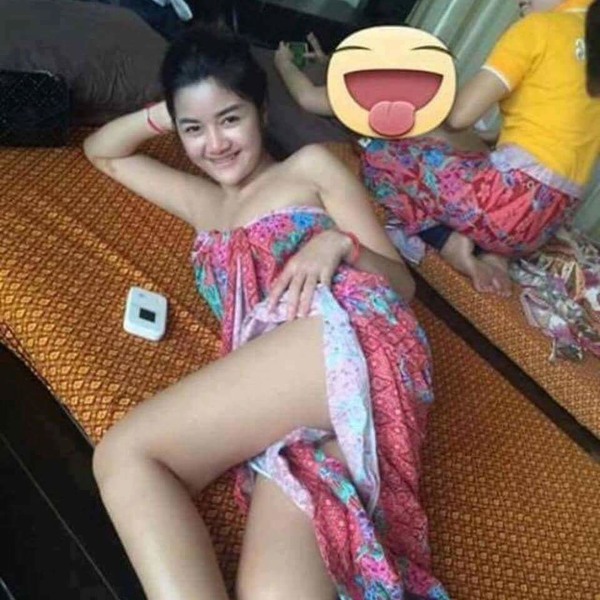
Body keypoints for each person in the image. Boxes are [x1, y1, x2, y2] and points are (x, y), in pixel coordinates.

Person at [84, 25, 449, 600]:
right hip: (299, 392)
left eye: (230, 118)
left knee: (129, 454)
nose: (216, 144)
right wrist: (171, 112)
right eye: (195, 129)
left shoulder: (310, 168)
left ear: (262, 111)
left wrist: (340, 245)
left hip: (347, 329)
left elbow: (402, 285)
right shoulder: (203, 203)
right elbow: (102, 152)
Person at [361, 0, 600, 296]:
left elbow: (458, 117)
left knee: (380, 154)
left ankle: (446, 240)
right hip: (539, 230)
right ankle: (494, 255)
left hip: (501, 204)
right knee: (472, 157)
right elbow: (564, 132)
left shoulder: (539, 29)